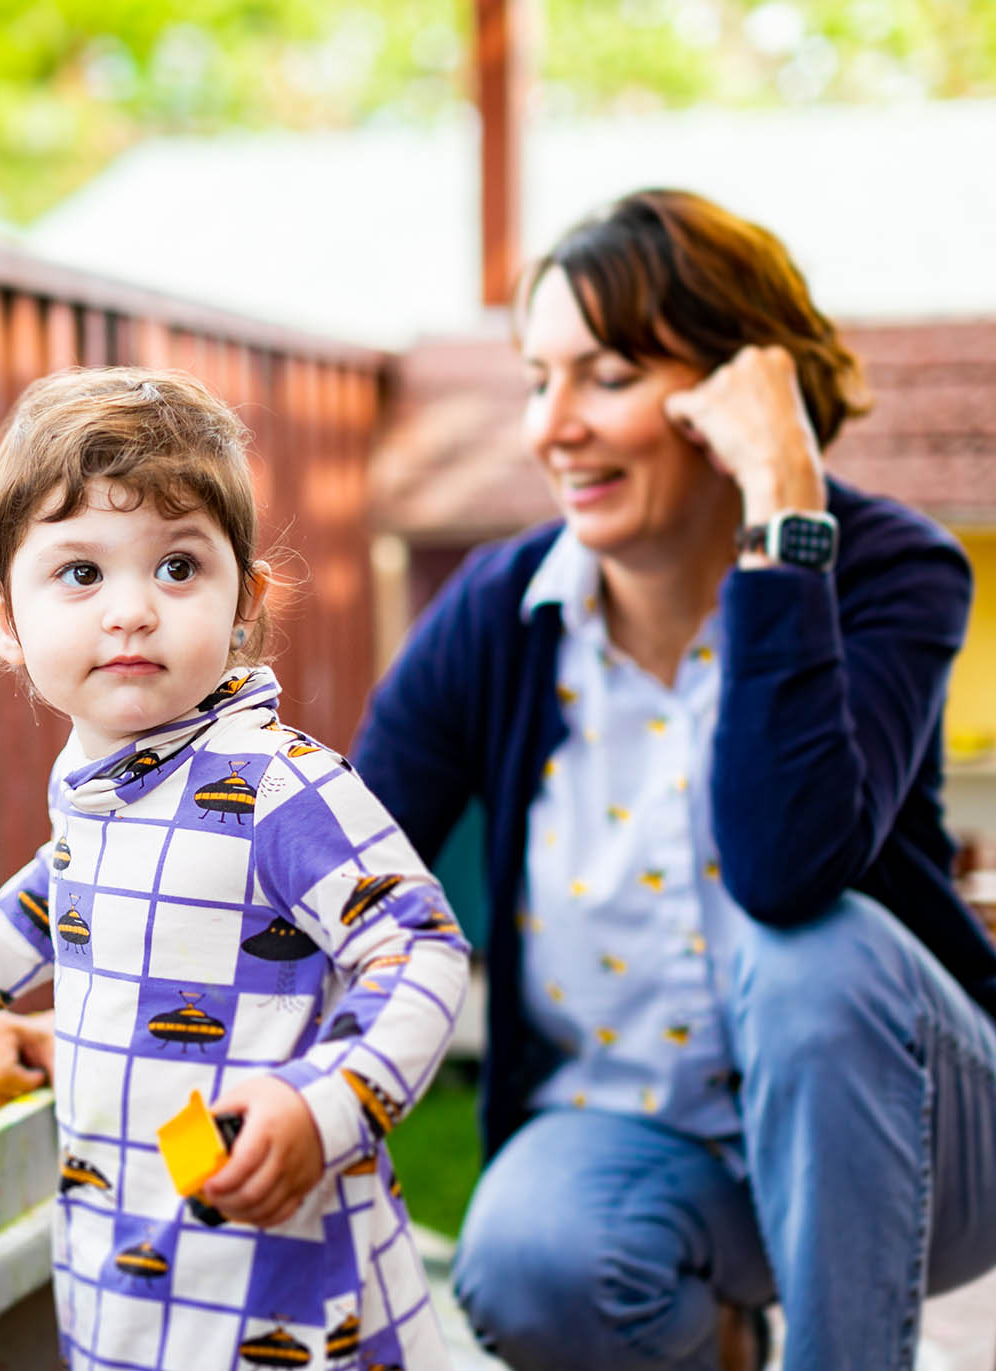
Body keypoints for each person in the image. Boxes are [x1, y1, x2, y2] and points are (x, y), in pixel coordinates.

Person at [348, 189, 996, 1371]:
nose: (552, 428)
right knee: (533, 1260)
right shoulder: (497, 614)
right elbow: (334, 877)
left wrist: (784, 512)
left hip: (920, 1141)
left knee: (813, 953)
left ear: (741, 389)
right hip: (639, 1152)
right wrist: (75, 1008)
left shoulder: (892, 569)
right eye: (536, 381)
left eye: (602, 377)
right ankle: (720, 1342)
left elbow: (786, 862)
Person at [0, 368, 471, 1370]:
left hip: (280, 1277)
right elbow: (54, 893)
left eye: (177, 568)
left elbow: (423, 949)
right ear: (4, 614)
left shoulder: (277, 786)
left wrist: (326, 1103)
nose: (132, 610)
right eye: (81, 574)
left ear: (243, 603)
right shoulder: (99, 780)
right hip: (128, 1261)